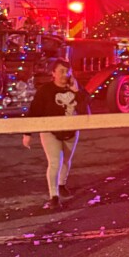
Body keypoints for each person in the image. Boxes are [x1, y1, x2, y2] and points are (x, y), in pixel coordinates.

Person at [23, 59, 90, 210]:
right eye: (61, 71)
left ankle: (61, 184)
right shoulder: (46, 90)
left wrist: (76, 91)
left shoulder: (75, 88)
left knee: (66, 160)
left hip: (71, 131)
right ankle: (54, 196)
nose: (64, 75)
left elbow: (85, 106)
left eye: (67, 72)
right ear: (53, 73)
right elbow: (34, 111)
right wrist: (27, 133)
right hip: (50, 132)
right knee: (55, 162)